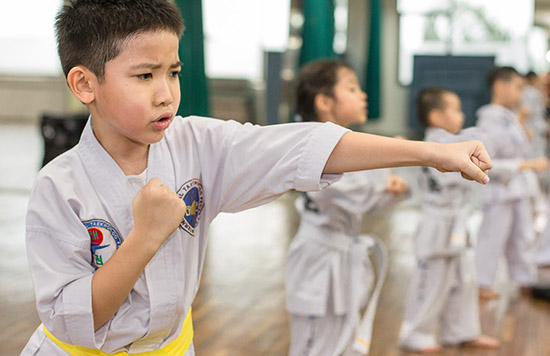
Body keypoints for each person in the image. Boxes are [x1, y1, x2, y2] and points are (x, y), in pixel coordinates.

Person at [21, 1, 492, 355]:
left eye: (174, 71)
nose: (166, 94)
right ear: (85, 84)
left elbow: (300, 145)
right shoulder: (59, 188)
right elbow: (72, 321)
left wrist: (430, 153)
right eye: (144, 75)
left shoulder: (197, 144)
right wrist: (145, 237)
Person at [285, 60, 409, 356]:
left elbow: (361, 203)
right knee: (315, 343)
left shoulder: (345, 147)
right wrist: (390, 164)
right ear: (325, 102)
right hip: (319, 258)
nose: (363, 95)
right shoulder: (315, 148)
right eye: (352, 88)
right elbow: (351, 193)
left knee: (341, 338)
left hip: (340, 252)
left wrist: (390, 190)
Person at [398, 88, 500, 353]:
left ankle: (461, 331)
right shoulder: (433, 146)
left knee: (464, 279)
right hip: (436, 224)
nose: (461, 114)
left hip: (457, 224)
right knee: (430, 281)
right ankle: (414, 333)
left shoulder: (454, 142)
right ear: (435, 115)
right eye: (454, 109)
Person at [474, 66, 548, 301]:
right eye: (516, 87)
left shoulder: (509, 117)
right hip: (499, 188)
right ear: (500, 86)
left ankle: (524, 278)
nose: (519, 94)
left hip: (517, 187)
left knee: (523, 235)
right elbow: (489, 161)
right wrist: (527, 165)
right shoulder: (488, 119)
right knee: (493, 236)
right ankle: (482, 282)